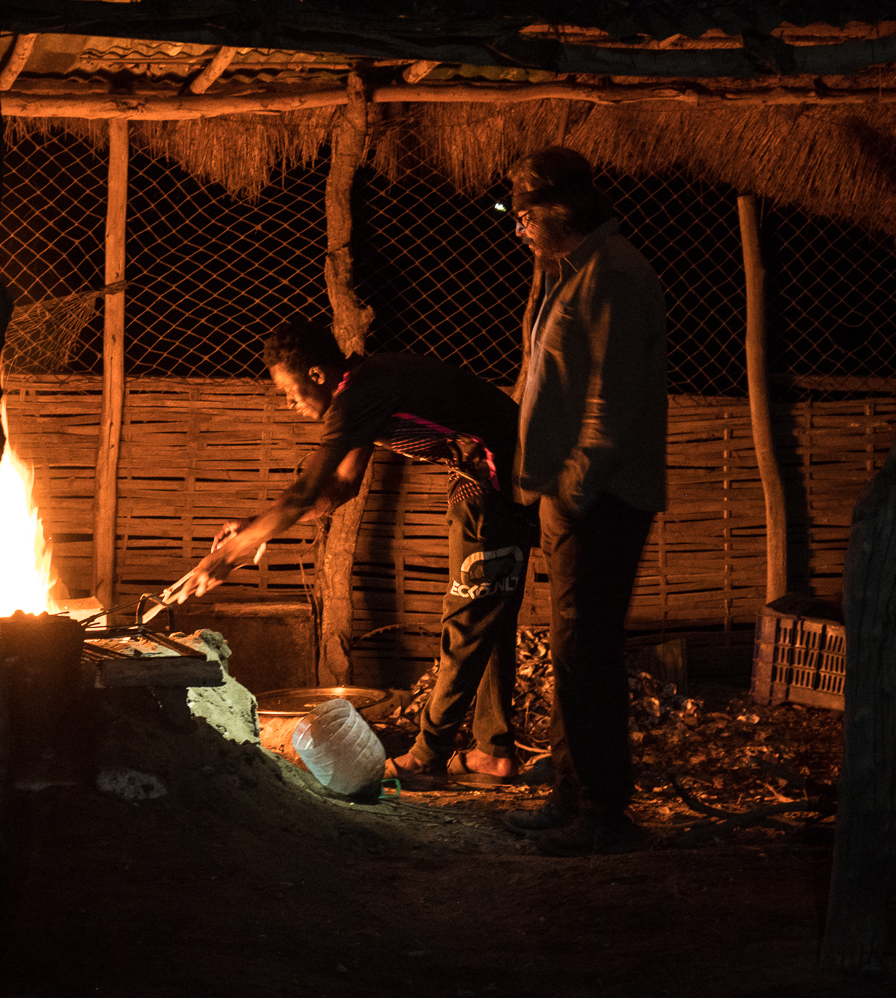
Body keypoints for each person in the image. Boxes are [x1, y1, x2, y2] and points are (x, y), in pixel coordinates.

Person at [171, 320, 537, 787]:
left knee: (468, 618)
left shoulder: (357, 394)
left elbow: (305, 493)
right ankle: (494, 752)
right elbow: (337, 488)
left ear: (319, 376)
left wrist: (224, 559)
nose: (290, 403)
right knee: (490, 613)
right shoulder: (367, 390)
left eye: (291, 390)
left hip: (493, 479)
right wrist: (254, 529)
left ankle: (427, 757)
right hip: (485, 477)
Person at [499, 147, 668, 856]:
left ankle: (603, 810)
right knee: (573, 650)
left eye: (527, 215)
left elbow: (611, 408)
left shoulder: (616, 278)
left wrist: (569, 492)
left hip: (600, 501)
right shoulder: (573, 276)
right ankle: (573, 795)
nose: (520, 230)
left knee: (586, 652)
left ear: (559, 210)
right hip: (574, 500)